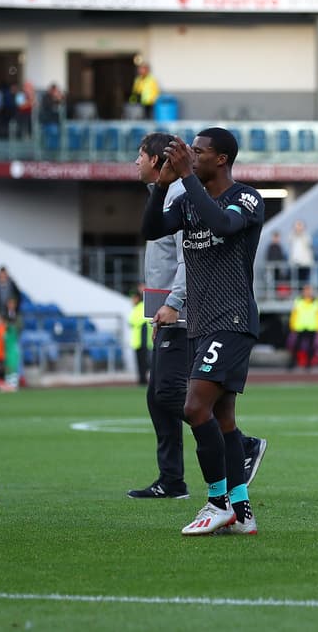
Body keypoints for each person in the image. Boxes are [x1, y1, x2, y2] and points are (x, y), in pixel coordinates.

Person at [129, 131, 268, 501]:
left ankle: (217, 500)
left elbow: (223, 225)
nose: (190, 156)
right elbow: (151, 229)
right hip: (203, 322)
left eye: (198, 152)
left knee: (192, 405)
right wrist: (162, 186)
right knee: (222, 419)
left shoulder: (247, 197)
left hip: (233, 316)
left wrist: (187, 178)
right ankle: (238, 508)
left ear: (221, 159)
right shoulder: (189, 202)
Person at [288, 284, 318, 371]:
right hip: (300, 327)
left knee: (311, 347)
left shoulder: (317, 301)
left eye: (309, 290)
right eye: (306, 290)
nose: (307, 292)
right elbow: (294, 314)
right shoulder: (298, 301)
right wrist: (292, 324)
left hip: (312, 327)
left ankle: (308, 364)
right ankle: (293, 363)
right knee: (296, 346)